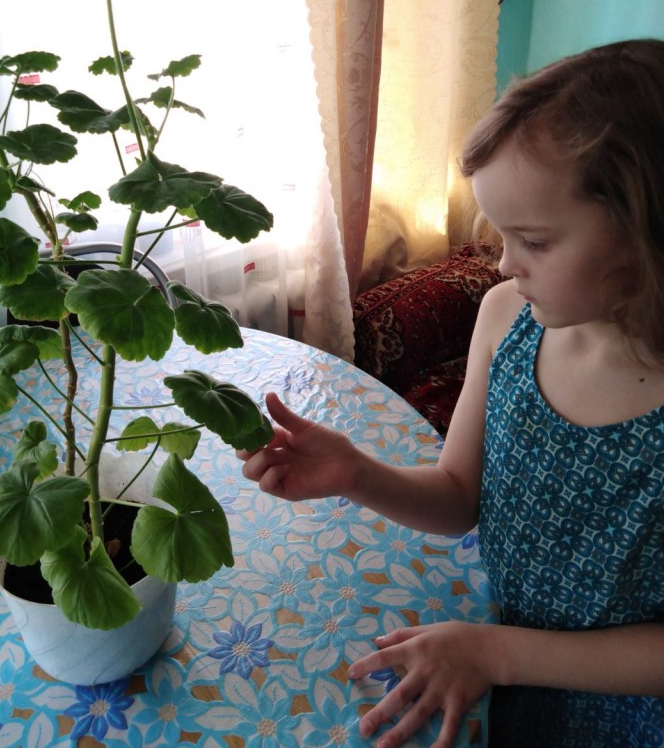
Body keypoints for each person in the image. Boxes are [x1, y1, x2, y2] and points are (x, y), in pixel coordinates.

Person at [240, 39, 664, 748]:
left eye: (535, 241)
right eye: (501, 235)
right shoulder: (505, 318)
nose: (503, 264)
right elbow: (459, 495)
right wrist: (355, 472)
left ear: (647, 234)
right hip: (501, 659)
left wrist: (497, 653)